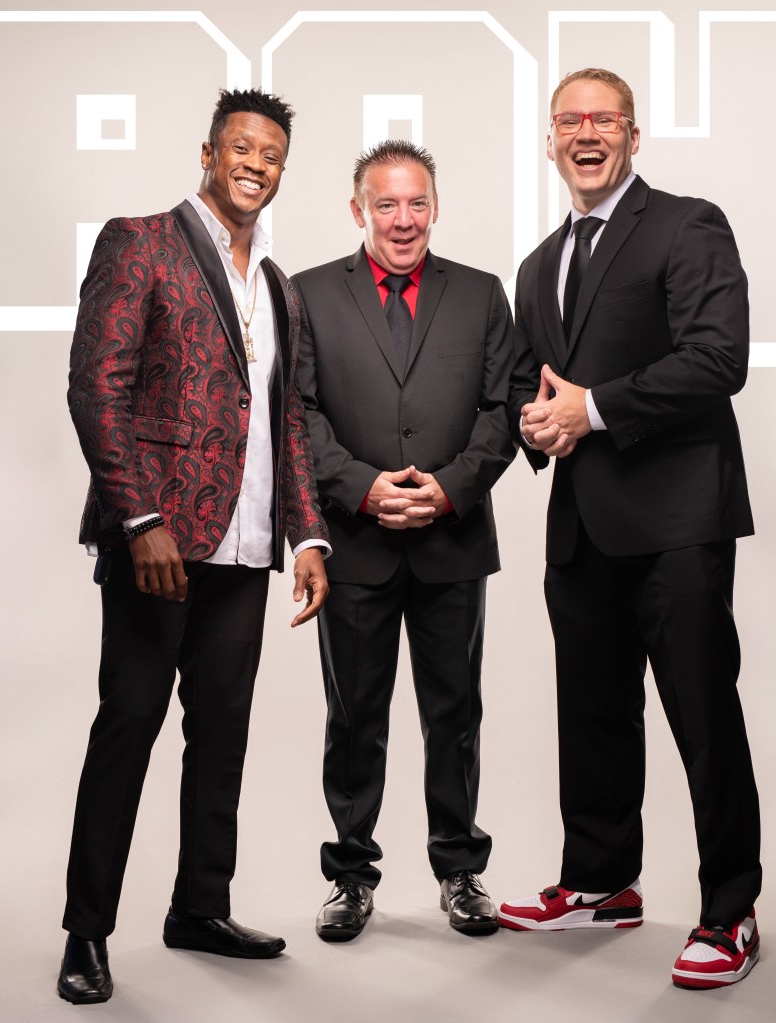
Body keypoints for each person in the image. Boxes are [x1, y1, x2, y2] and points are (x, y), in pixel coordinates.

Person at [59, 88, 330, 1004]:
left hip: (246, 547)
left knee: (222, 737)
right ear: (209, 152)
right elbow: (96, 386)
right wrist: (140, 520)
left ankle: (198, 907)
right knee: (127, 727)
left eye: (273, 153)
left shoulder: (279, 285)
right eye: (242, 147)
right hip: (160, 546)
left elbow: (286, 420)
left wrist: (307, 535)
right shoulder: (140, 240)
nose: (257, 163)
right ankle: (85, 932)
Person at [498, 68, 761, 989]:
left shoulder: (687, 223)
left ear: (633, 135)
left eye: (602, 118)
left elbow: (717, 357)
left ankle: (731, 909)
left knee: (702, 710)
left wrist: (593, 409)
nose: (585, 131)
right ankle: (601, 881)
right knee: (593, 714)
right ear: (548, 139)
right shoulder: (536, 266)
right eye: (568, 118)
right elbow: (538, 394)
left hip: (678, 520)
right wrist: (535, 424)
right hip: (580, 529)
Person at [293, 141, 515, 941]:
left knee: (454, 712)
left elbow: (501, 408)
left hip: (452, 539)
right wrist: (361, 485)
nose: (402, 219)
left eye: (415, 202)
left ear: (435, 206)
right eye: (385, 204)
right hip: (354, 539)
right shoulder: (310, 293)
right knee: (354, 716)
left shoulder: (483, 294)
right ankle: (350, 876)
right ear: (358, 211)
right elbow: (298, 412)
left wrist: (449, 488)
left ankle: (460, 870)